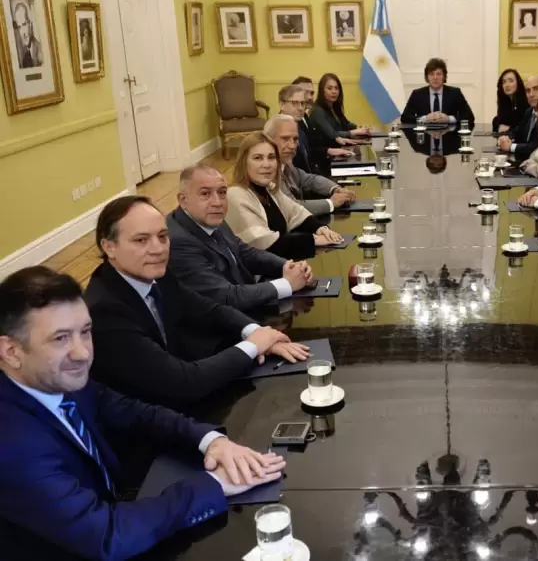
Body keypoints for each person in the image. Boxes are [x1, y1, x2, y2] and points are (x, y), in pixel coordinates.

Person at [0, 266, 287, 559]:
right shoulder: (11, 442)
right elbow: (108, 536)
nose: (82, 353)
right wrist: (214, 485)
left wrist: (212, 441)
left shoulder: (55, 378)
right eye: (60, 338)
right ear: (10, 351)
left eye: (85, 332)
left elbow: (136, 412)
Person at [84, 196, 310, 409]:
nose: (158, 248)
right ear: (109, 246)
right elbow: (181, 383)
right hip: (146, 425)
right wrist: (253, 345)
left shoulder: (154, 274)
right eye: (141, 240)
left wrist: (260, 332)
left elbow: (208, 310)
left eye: (162, 236)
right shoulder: (105, 312)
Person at [167, 165, 316, 313]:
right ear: (183, 200)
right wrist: (287, 284)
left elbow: (243, 252)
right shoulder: (178, 243)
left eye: (222, 192)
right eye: (205, 194)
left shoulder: (207, 216)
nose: (217, 202)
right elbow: (227, 296)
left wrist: (287, 266)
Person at [226, 133, 343, 260]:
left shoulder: (269, 189)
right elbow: (265, 245)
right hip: (257, 276)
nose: (266, 164)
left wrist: (320, 228)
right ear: (243, 162)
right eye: (258, 158)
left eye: (271, 157)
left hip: (282, 265)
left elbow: (296, 213)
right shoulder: (235, 195)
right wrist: (314, 239)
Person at [264, 114, 356, 217]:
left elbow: (308, 179)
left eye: (295, 139)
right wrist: (331, 203)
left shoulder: (284, 163)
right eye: (285, 139)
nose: (292, 146)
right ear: (268, 139)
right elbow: (291, 207)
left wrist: (335, 188)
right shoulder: (266, 170)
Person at [278, 85, 352, 174]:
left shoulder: (298, 127)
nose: (300, 108)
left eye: (302, 103)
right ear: (282, 105)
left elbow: (309, 153)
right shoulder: (277, 132)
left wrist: (329, 151)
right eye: (294, 103)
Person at [400, 58, 475, 126]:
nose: (435, 78)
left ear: (444, 76)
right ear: (427, 77)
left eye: (438, 74)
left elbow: (469, 117)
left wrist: (449, 119)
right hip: (425, 138)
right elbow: (405, 118)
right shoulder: (417, 94)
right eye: (431, 74)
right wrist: (425, 119)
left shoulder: (455, 93)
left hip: (449, 137)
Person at [308, 72, 371, 148]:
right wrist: (353, 132)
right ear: (322, 90)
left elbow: (346, 125)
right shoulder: (317, 111)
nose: (334, 91)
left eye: (336, 88)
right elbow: (332, 134)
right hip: (327, 155)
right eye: (329, 88)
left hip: (341, 148)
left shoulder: (334, 106)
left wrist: (361, 128)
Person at [497, 75, 538, 160]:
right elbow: (517, 131)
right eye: (528, 91)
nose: (531, 94)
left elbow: (536, 146)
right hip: (524, 161)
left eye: (536, 89)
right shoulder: (529, 111)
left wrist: (510, 147)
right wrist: (505, 138)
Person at [492, 69, 529, 134]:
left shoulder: (526, 102)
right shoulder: (506, 102)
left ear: (518, 83)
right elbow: (499, 120)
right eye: (504, 82)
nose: (507, 85)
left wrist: (509, 128)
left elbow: (524, 126)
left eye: (510, 81)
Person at [13, 1, 43, 68]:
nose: (23, 33)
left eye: (24, 24)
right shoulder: (25, 60)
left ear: (31, 24)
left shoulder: (42, 52)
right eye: (19, 27)